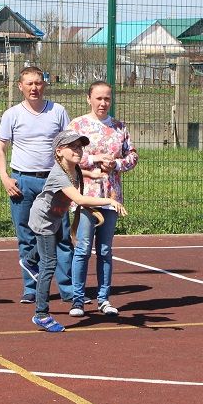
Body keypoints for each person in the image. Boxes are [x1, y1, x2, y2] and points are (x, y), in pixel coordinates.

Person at [27, 130, 127, 332]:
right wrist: (109, 200)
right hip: (43, 220)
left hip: (54, 218)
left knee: (48, 251)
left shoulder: (76, 169)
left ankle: (29, 259)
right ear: (59, 151)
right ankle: (41, 314)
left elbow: (78, 189)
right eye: (72, 146)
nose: (78, 150)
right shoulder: (58, 174)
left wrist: (93, 174)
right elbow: (79, 199)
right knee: (49, 264)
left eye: (80, 146)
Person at [0, 66, 74, 307]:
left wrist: (70, 178)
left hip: (54, 182)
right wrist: (5, 177)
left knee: (61, 235)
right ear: (20, 86)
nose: (34, 88)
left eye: (38, 83)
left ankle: (68, 290)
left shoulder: (58, 111)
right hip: (22, 182)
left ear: (44, 84)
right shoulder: (12, 115)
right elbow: (0, 148)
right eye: (29, 83)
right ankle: (32, 289)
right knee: (27, 237)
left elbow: (69, 146)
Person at [67, 81, 138, 317]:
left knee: (105, 249)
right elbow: (69, 156)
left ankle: (104, 299)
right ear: (89, 99)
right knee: (83, 248)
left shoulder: (120, 127)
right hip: (86, 196)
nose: (103, 103)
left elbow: (132, 156)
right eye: (98, 98)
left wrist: (116, 163)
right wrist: (96, 159)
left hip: (112, 197)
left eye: (107, 98)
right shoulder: (78, 125)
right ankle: (77, 300)